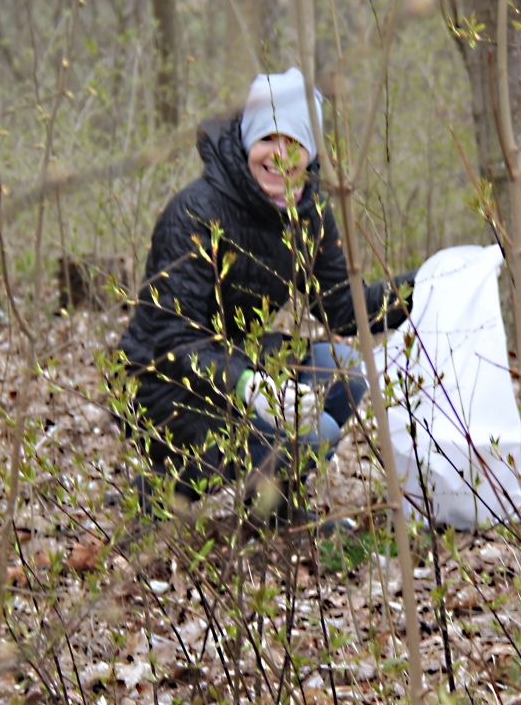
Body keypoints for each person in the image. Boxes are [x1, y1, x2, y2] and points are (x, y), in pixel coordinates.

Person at [117, 68, 413, 529]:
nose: (280, 153)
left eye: (293, 139)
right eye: (267, 138)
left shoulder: (310, 212)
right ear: (248, 142)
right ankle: (164, 485)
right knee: (316, 432)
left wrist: (423, 286)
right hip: (162, 383)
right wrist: (250, 385)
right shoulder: (195, 212)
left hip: (238, 360)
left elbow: (341, 307)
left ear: (311, 150)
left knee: (345, 371)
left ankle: (270, 509)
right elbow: (172, 340)